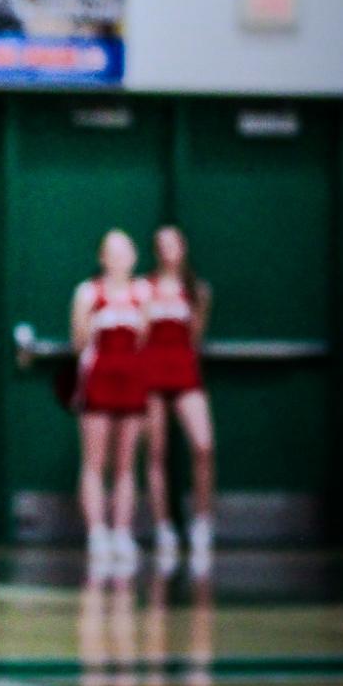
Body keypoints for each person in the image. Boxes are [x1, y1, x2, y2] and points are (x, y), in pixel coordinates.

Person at [71, 230, 150, 575]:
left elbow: (145, 337)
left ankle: (121, 532)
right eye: (112, 252)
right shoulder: (89, 292)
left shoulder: (142, 293)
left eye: (125, 252)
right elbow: (79, 340)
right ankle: (97, 533)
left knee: (126, 462)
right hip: (99, 377)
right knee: (95, 460)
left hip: (131, 379)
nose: (119, 258)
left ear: (133, 257)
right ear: (103, 257)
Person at [143, 226, 215, 574]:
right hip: (152, 374)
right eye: (162, 245)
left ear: (184, 247)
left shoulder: (197, 291)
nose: (168, 250)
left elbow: (197, 337)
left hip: (185, 372)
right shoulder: (145, 288)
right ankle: (164, 528)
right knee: (156, 452)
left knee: (203, 445)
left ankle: (202, 522)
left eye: (174, 243)